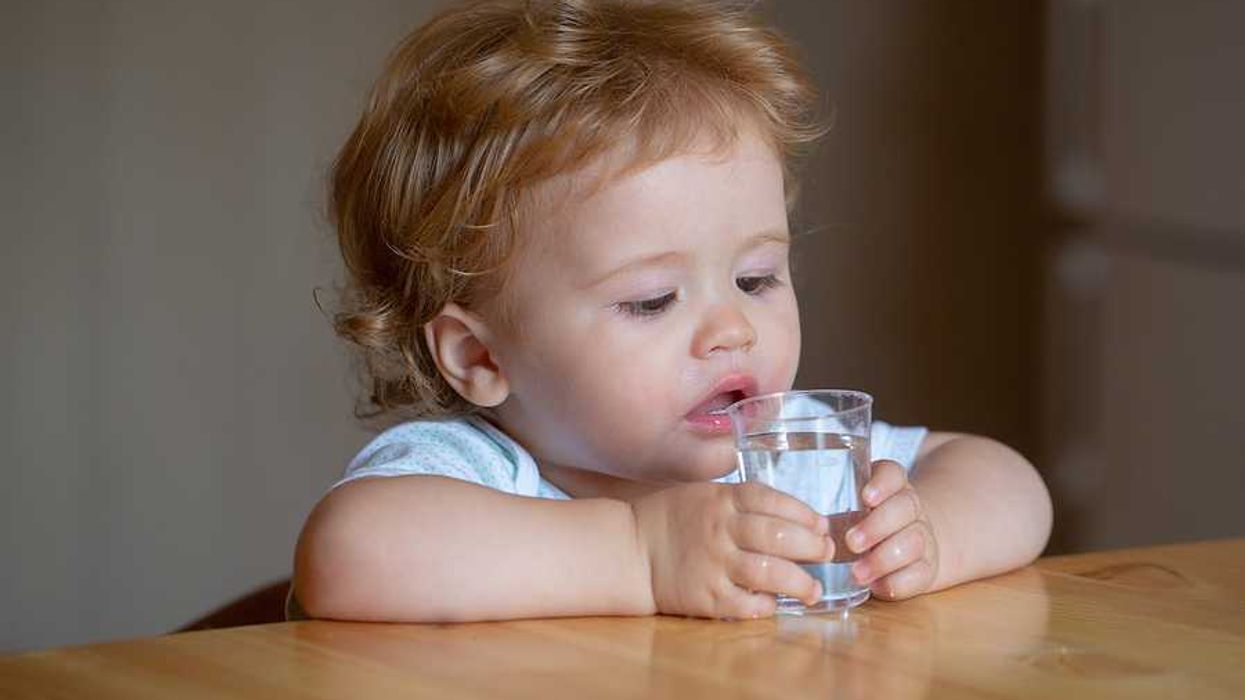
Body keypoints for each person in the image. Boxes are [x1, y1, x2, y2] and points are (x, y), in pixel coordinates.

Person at [292, 0, 1052, 622]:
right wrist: (641, 555)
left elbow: (1006, 478)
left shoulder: (791, 464)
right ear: (480, 358)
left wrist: (930, 531)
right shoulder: (478, 476)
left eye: (755, 279)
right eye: (651, 300)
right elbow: (347, 553)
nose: (732, 329)